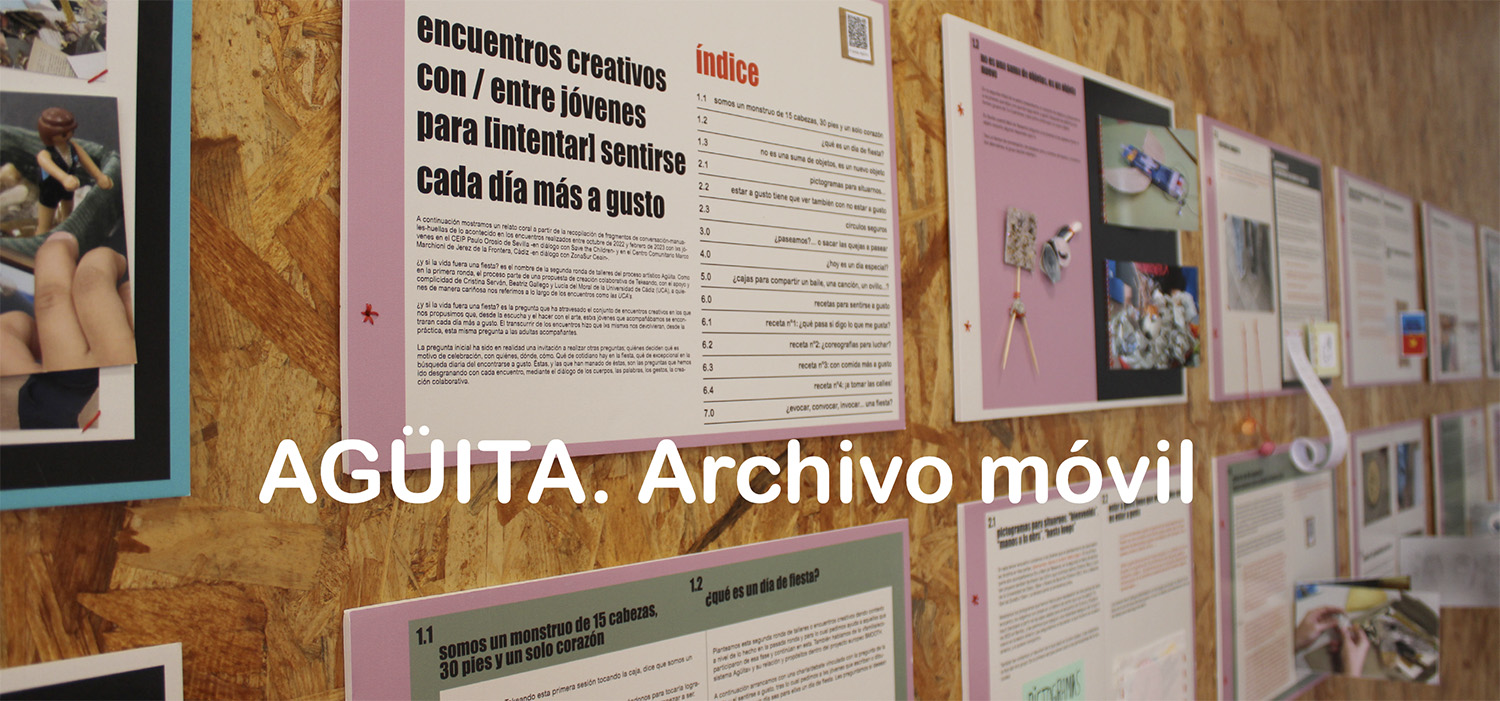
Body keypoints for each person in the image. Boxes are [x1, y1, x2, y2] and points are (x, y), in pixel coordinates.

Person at [35, 107, 114, 235]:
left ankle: (64, 233)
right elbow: (49, 166)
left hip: (68, 189)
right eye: (64, 134)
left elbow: (86, 160)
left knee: (68, 218)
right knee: (44, 225)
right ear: (49, 135)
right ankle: (39, 242)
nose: (69, 135)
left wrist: (99, 176)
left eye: (71, 131)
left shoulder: (72, 147)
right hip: (50, 191)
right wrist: (64, 178)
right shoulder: (45, 154)